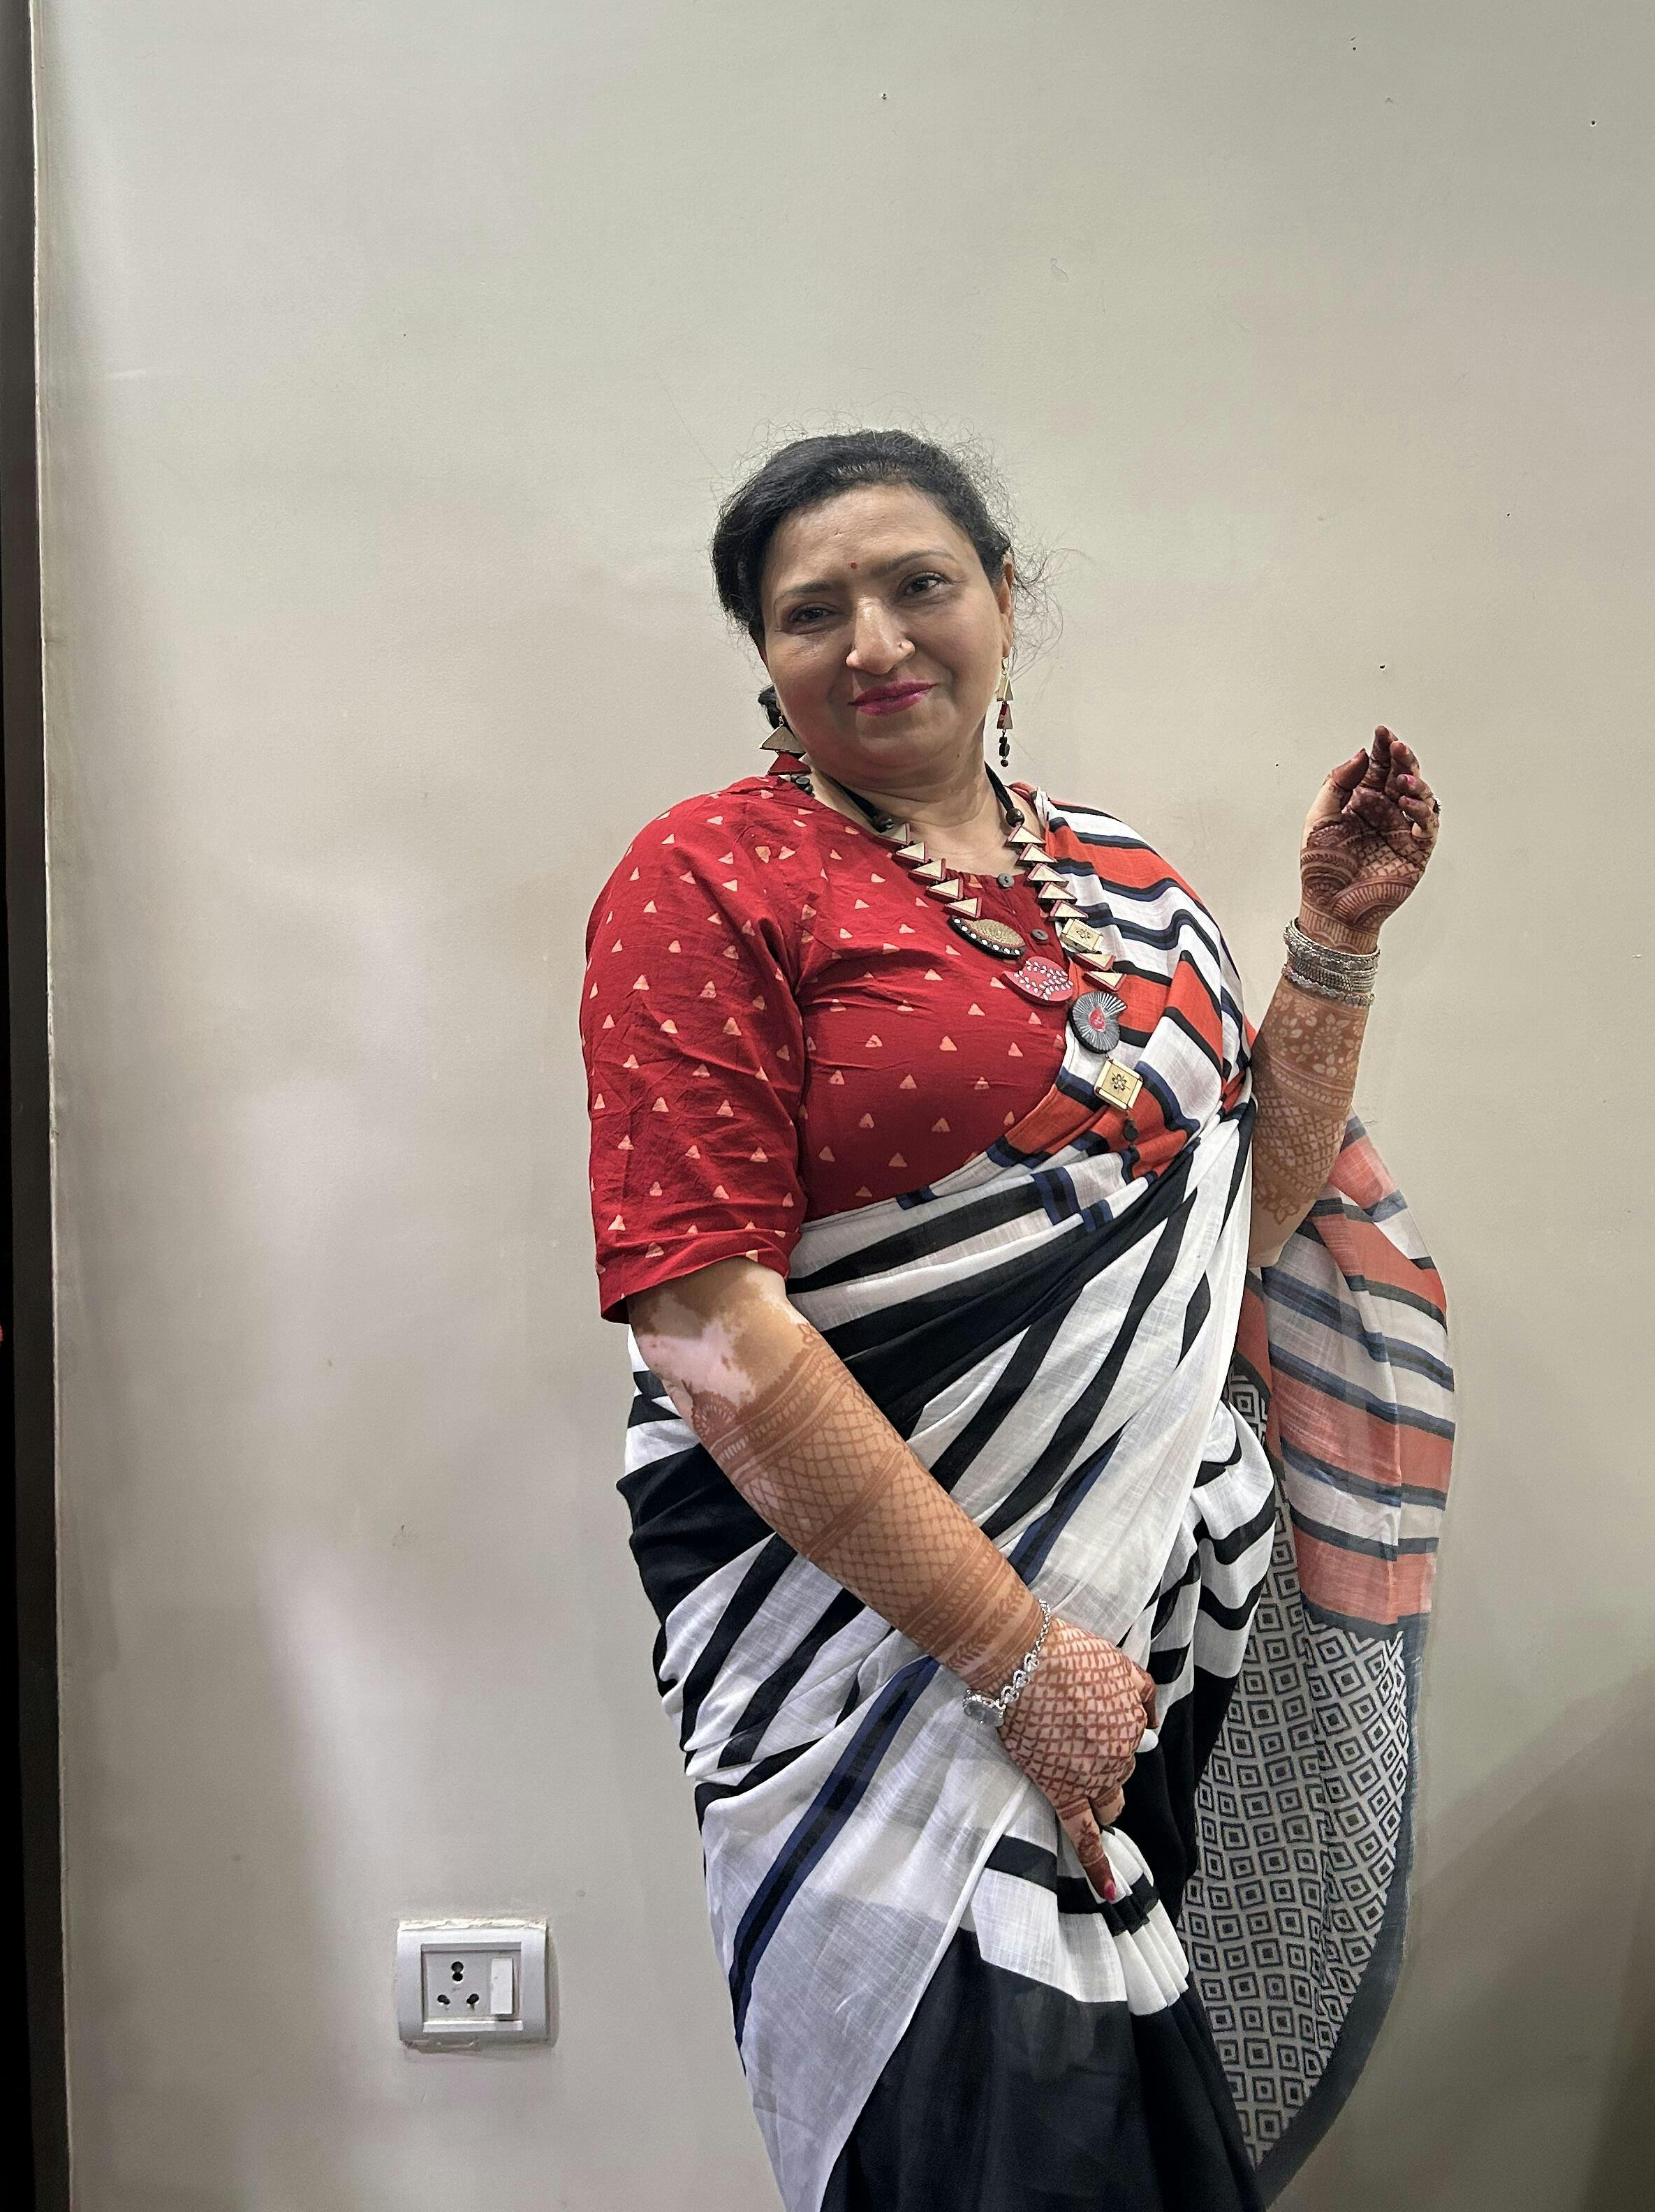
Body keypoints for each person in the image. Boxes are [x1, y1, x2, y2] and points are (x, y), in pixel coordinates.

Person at [580, 432, 1451, 2212]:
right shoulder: (711, 877)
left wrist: (1331, 945)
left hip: (1136, 1623)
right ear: (762, 653)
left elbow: (1228, 1228)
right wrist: (1011, 1655)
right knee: (976, 2139)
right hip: (868, 1643)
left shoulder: (1126, 880)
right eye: (811, 611)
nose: (874, 641)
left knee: (1123, 2123)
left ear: (1001, 596)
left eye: (920, 585)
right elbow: (704, 1316)